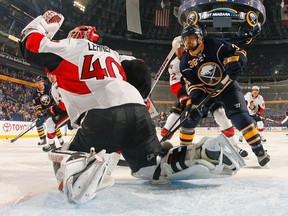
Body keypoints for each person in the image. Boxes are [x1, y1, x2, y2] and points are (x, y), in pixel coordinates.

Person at [19, 11, 244, 204]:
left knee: (67, 152)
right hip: (137, 112)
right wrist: (137, 102)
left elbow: (31, 46)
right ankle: (202, 152)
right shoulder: (114, 55)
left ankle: (85, 169)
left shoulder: (71, 46)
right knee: (150, 168)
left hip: (103, 117)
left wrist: (44, 22)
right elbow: (140, 71)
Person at [179, 24, 270, 167]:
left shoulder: (215, 44)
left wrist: (236, 61)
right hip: (207, 93)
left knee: (241, 118)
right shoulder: (184, 62)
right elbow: (194, 86)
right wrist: (194, 103)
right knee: (188, 119)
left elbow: (240, 52)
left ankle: (260, 151)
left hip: (228, 88)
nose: (188, 41)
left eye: (191, 37)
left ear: (200, 38)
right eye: (185, 39)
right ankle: (183, 153)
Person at [161, 36, 248, 158]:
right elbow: (175, 84)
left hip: (209, 92)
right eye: (177, 50)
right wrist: (184, 99)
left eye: (182, 49)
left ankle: (234, 146)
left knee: (220, 113)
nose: (180, 52)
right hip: (191, 96)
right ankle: (162, 145)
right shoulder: (175, 64)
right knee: (175, 115)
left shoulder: (200, 55)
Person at [42, 73, 70, 152]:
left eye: (52, 75)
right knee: (50, 123)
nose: (50, 77)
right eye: (48, 75)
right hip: (66, 111)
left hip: (70, 112)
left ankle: (52, 144)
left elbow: (64, 105)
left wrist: (53, 110)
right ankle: (51, 144)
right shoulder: (54, 85)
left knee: (51, 123)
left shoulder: (59, 85)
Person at [32, 75, 52, 146]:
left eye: (40, 82)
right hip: (44, 111)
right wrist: (39, 112)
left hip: (52, 108)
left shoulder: (49, 87)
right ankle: (43, 140)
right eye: (37, 82)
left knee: (52, 122)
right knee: (38, 123)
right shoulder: (35, 94)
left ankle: (60, 140)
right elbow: (37, 105)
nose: (39, 83)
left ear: (43, 82)